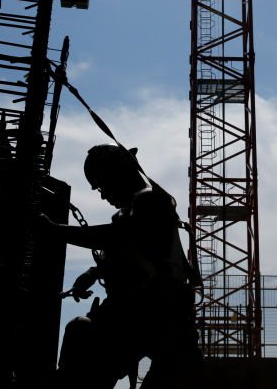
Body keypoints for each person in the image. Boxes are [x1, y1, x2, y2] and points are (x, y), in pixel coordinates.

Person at [36, 144, 202, 388]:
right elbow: (128, 250)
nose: (103, 196)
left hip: (153, 317)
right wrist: (93, 273)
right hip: (151, 320)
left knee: (80, 335)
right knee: (80, 335)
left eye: (103, 187)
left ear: (119, 174)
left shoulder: (151, 201)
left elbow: (117, 238)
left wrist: (55, 232)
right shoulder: (136, 211)